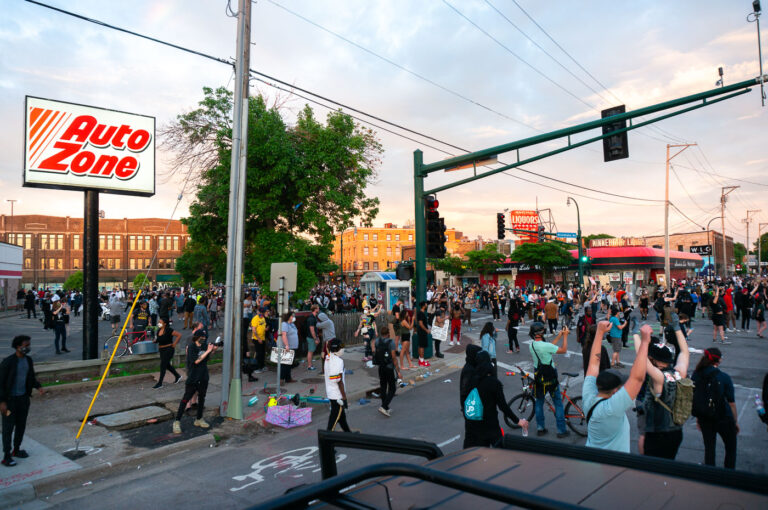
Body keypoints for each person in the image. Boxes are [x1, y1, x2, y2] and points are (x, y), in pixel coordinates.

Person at [583, 322, 651, 452]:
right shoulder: (612, 408)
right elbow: (637, 379)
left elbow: (593, 365)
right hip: (612, 466)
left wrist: (599, 332)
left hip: (592, 459)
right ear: (615, 391)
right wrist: (645, 342)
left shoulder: (589, 396)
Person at [643, 313, 690, 460]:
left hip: (658, 430)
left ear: (654, 360)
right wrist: (677, 328)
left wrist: (641, 339)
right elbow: (684, 351)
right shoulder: (679, 373)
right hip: (676, 430)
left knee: (653, 467)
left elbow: (642, 359)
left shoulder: (659, 377)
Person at [463, 351, 528, 447]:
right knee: (499, 454)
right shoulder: (494, 383)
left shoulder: (471, 380)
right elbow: (503, 406)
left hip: (473, 426)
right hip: (490, 426)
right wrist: (517, 421)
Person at [691, 348, 738, 469]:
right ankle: (729, 473)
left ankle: (710, 474)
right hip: (724, 417)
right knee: (731, 448)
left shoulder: (696, 374)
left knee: (709, 448)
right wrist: (735, 421)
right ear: (718, 361)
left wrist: (698, 418)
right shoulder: (723, 377)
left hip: (705, 417)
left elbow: (696, 397)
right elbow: (731, 403)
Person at [0, 335, 43, 466]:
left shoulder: (28, 360)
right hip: (10, 401)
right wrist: (2, 402)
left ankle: (16, 449)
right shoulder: (8, 362)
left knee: (21, 426)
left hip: (23, 399)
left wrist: (38, 386)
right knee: (8, 428)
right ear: (18, 346)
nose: (27, 348)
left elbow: (30, 376)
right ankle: (6, 456)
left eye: (28, 345)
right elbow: (0, 383)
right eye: (25, 345)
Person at [529, 322, 569, 438]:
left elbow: (550, 347)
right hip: (550, 375)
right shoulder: (545, 346)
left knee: (539, 402)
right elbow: (563, 350)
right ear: (542, 332)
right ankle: (561, 430)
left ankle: (540, 428)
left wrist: (559, 335)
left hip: (538, 374)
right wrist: (565, 336)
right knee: (558, 402)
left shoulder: (532, 345)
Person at [172, 331, 215, 434]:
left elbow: (206, 359)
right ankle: (177, 421)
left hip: (203, 376)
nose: (204, 339)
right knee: (185, 399)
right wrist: (207, 351)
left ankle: (199, 418)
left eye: (205, 337)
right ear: (197, 337)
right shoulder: (191, 347)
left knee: (202, 398)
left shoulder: (204, 346)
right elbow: (196, 361)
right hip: (193, 377)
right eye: (202, 337)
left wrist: (212, 351)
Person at [373, 326, 400, 417]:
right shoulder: (391, 342)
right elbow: (393, 357)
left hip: (381, 367)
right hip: (389, 367)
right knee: (392, 388)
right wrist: (398, 371)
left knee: (383, 387)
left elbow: (375, 351)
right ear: (388, 333)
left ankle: (386, 406)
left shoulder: (377, 341)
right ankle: (384, 407)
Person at [325, 339, 351, 432]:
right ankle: (326, 442)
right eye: (341, 347)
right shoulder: (338, 361)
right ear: (336, 349)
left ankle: (349, 434)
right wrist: (344, 397)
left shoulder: (328, 357)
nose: (342, 349)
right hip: (337, 396)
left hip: (331, 393)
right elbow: (338, 381)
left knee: (341, 417)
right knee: (332, 423)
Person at [153, 318, 182, 389]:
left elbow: (179, 335)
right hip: (161, 349)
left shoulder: (169, 330)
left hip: (169, 349)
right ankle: (177, 376)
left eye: (160, 322)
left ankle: (160, 383)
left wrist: (174, 343)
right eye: (158, 322)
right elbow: (158, 340)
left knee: (163, 365)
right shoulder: (158, 330)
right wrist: (155, 341)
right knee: (167, 365)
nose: (159, 323)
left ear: (165, 324)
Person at [280, 311, 299, 384]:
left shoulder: (292, 324)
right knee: (285, 363)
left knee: (289, 363)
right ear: (289, 317)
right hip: (287, 347)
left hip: (293, 346)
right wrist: (286, 345)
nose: (293, 317)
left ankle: (288, 378)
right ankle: (281, 379)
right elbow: (284, 335)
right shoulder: (284, 324)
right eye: (292, 316)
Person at [415, 301, 431, 367]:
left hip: (421, 331)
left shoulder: (420, 313)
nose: (427, 305)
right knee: (422, 346)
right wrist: (426, 330)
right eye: (426, 304)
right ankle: (421, 361)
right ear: (424, 305)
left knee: (421, 345)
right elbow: (421, 324)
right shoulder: (421, 313)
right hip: (422, 332)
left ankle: (421, 359)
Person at [305, 305, 320, 371]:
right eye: (318, 308)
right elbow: (312, 330)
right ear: (315, 309)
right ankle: (309, 366)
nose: (318, 309)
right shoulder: (311, 318)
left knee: (311, 350)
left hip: (312, 337)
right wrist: (315, 338)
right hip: (311, 337)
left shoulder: (314, 317)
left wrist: (317, 337)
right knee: (310, 351)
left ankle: (309, 363)